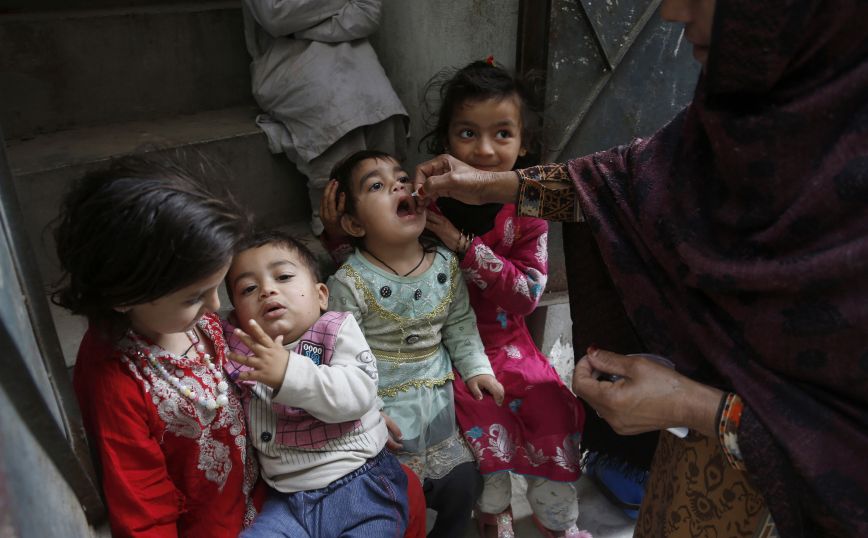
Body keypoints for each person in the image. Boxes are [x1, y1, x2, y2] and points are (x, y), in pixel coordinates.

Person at [410, 0, 868, 536]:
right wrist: (487, 187)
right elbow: (615, 182)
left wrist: (699, 407)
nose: (672, 11)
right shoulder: (729, 119)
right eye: (467, 133)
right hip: (692, 472)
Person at [415, 60, 588, 538]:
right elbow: (377, 252)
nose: (485, 149)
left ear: (524, 143)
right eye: (468, 132)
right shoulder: (425, 204)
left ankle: (558, 521)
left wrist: (462, 244)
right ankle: (493, 514)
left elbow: (527, 295)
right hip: (446, 349)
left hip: (508, 341)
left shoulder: (528, 208)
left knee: (550, 407)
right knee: (482, 415)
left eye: (503, 134)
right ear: (446, 139)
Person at [52, 154, 260, 536]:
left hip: (261, 500)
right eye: (194, 297)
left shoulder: (194, 320)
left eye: (216, 286)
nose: (216, 306)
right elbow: (144, 512)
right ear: (123, 296)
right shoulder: (115, 383)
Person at [326, 150, 505, 537]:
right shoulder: (349, 282)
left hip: (437, 400)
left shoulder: (445, 264)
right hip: (383, 407)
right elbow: (341, 357)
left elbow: (459, 323)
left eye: (403, 179)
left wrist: (477, 369)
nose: (398, 186)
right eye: (377, 185)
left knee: (462, 485)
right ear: (354, 224)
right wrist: (369, 410)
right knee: (395, 498)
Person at [221, 230, 424, 537]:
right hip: (285, 499)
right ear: (236, 316)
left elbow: (359, 393)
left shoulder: (335, 330)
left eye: (283, 276)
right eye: (248, 288)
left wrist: (289, 373)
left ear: (321, 295)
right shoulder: (241, 349)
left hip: (360, 481)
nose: (266, 290)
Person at [241, 0, 408, 235]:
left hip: (350, 49)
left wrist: (298, 29)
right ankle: (335, 228)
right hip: (285, 59)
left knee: (384, 114)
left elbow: (368, 13)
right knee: (336, 122)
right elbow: (276, 15)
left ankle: (394, 218)